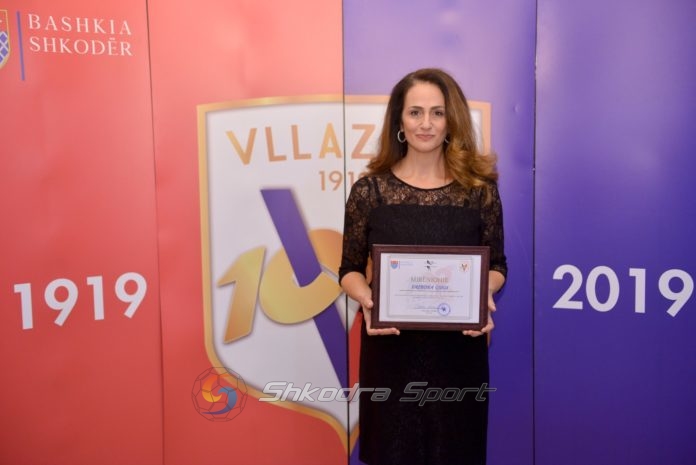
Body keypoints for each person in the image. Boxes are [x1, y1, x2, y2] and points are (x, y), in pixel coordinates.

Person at [338, 68, 507, 465]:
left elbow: (497, 265)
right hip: (390, 355)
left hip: (458, 357)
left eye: (437, 112)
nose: (426, 123)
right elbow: (348, 269)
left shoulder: (479, 192)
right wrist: (368, 301)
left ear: (452, 121)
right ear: (399, 121)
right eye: (415, 112)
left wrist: (482, 293)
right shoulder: (369, 192)